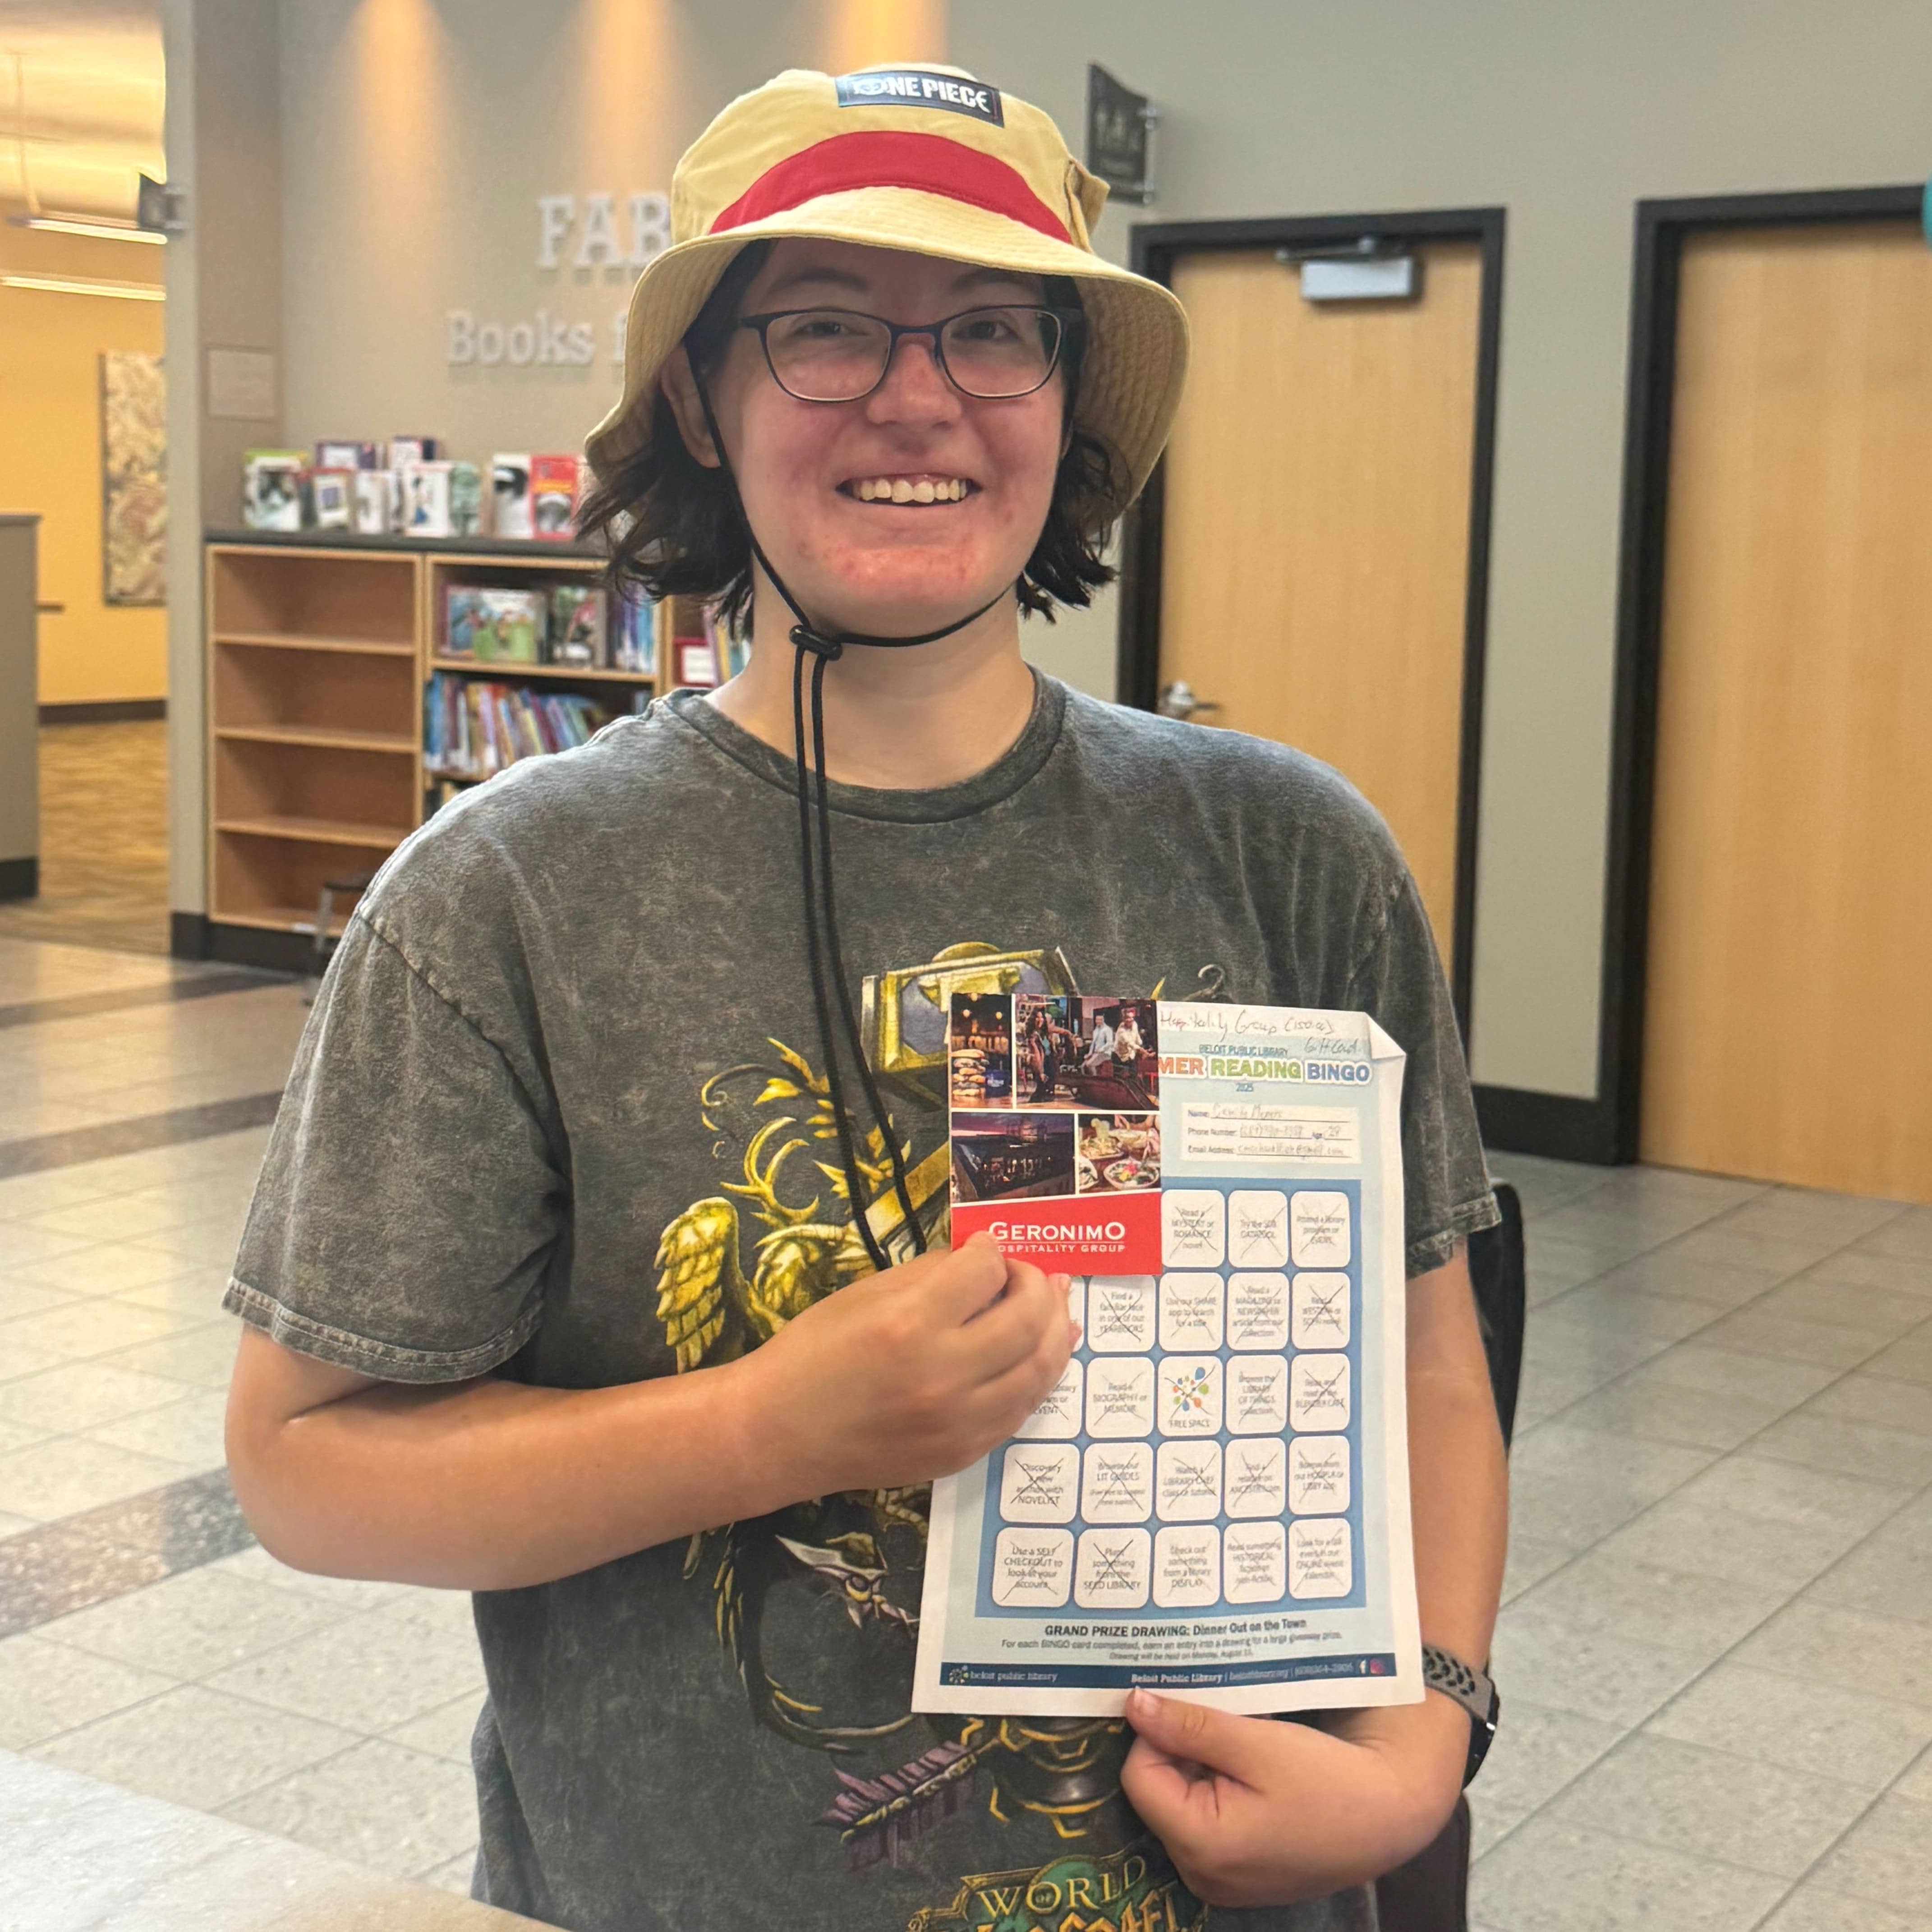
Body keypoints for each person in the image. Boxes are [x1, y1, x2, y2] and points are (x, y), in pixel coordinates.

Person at [223, 64, 1505, 1932]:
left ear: (1068, 400)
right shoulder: (506, 899)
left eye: (996, 332)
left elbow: (1432, 1370)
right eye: (826, 331)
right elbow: (303, 1470)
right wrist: (771, 1430)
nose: (922, 400)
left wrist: (1423, 1746)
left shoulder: (1286, 852)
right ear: (702, 391)